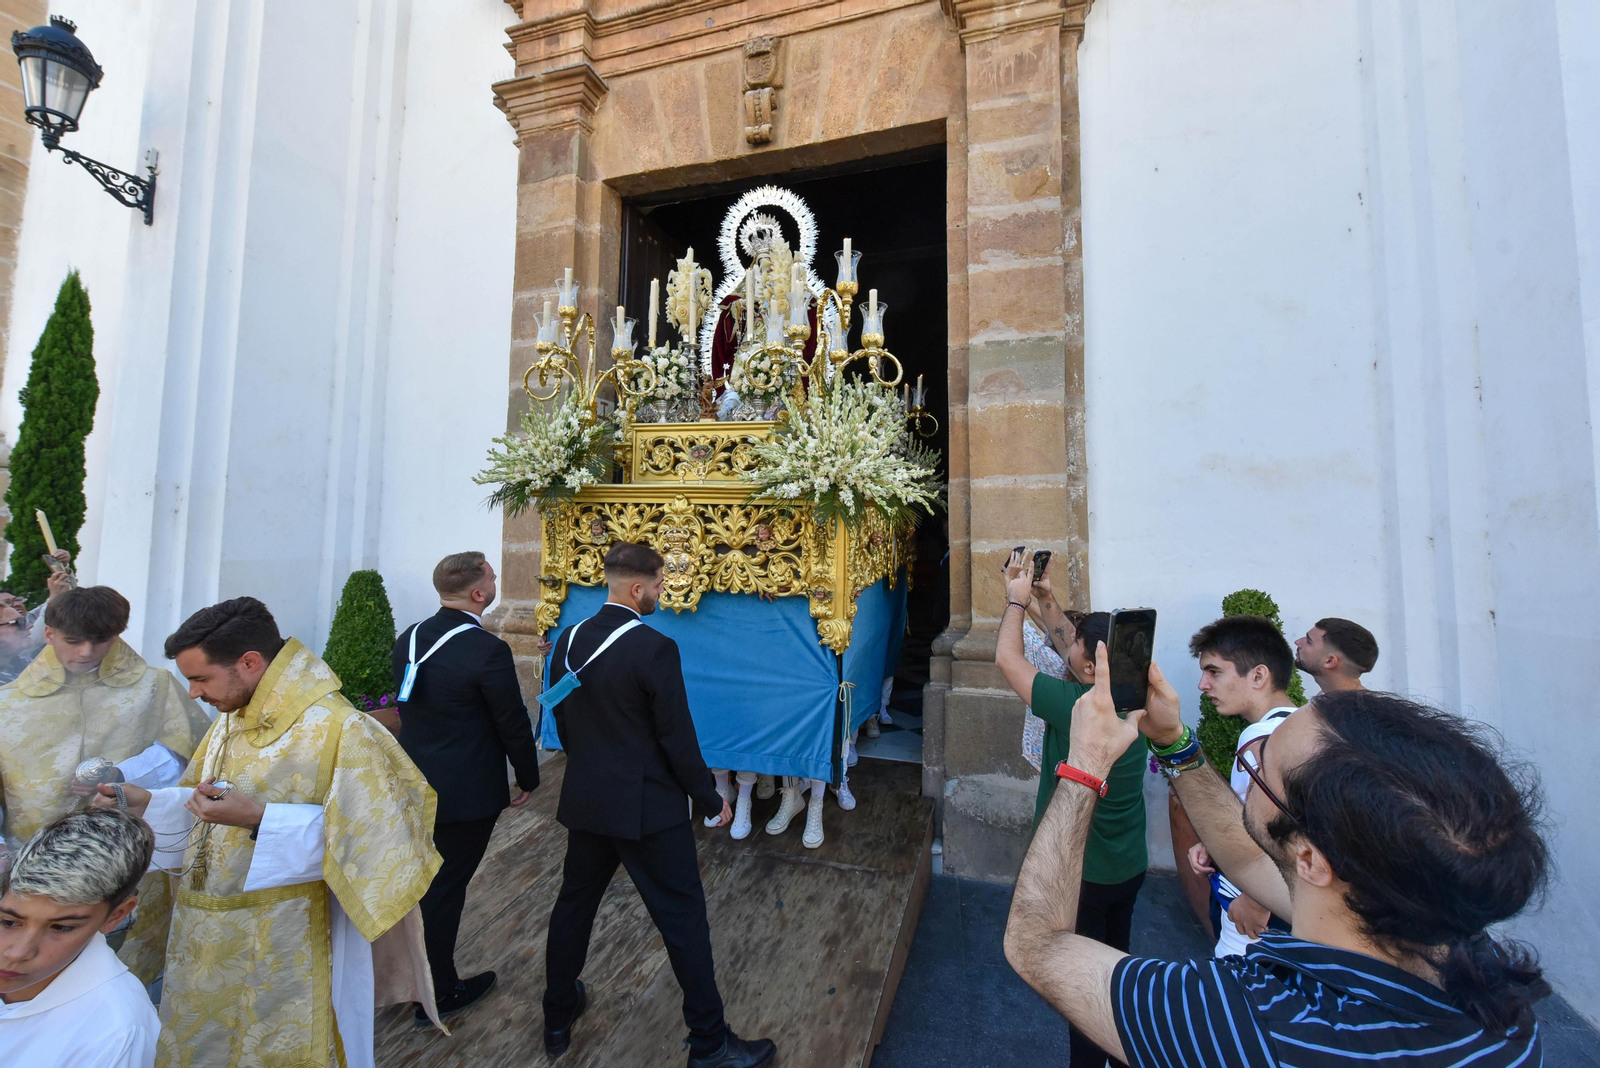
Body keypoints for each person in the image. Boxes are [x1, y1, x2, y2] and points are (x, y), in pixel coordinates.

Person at [1003, 639, 1548, 1067]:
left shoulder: (1253, 1026)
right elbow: (1250, 860)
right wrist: (1174, 743)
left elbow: (1035, 945)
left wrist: (1085, 766)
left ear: (1310, 860)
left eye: (1262, 771)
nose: (1252, 770)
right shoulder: (1494, 991)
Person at [92, 596, 442, 1068]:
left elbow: (381, 842)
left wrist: (260, 819)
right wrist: (149, 802)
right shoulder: (232, 718)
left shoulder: (342, 729)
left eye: (200, 679)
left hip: (294, 938)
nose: (192, 693)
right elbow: (207, 802)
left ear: (250, 662)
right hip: (206, 937)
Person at [542, 541, 776, 1068]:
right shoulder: (654, 648)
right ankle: (710, 1044)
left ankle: (556, 1016)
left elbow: (563, 719)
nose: (662, 592)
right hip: (647, 807)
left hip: (588, 799)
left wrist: (591, 768)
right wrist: (709, 797)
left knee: (574, 906)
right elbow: (676, 736)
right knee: (683, 920)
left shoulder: (567, 639)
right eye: (658, 585)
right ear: (636, 588)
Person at [0, 585, 210, 983]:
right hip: (32, 861)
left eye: (101, 641)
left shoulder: (155, 687)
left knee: (122, 974)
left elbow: (190, 754)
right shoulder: (7, 703)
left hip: (131, 860)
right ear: (49, 634)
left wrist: (125, 775)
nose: (86, 652)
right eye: (73, 641)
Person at [993, 549, 1146, 1068]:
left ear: (1089, 665)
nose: (1069, 644)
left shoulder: (1077, 706)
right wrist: (1046, 599)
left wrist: (1015, 604)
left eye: (1077, 641)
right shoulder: (1135, 701)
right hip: (1128, 865)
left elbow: (1008, 661)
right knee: (1119, 970)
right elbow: (1073, 650)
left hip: (1085, 876)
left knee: (1084, 993)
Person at [393, 551, 541, 1025]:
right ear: (479, 593)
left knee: (423, 883)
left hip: (413, 780)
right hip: (464, 792)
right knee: (444, 890)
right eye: (493, 577)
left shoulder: (410, 635)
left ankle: (406, 978)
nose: (496, 580)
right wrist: (527, 775)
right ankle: (436, 991)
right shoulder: (486, 650)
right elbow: (511, 722)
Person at [0, 809, 160, 1067]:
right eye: (9, 922)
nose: (17, 953)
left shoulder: (115, 1032)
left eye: (61, 928)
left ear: (115, 916)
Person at [1185, 615, 1296, 957]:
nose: (1203, 684)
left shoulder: (1260, 739)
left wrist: (1255, 900)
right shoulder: (1300, 725)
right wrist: (1216, 843)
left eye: (1214, 672)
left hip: (1255, 916)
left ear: (1258, 676)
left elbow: (1291, 832)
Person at [0, 549, 76, 684]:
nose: (29, 625)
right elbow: (40, 630)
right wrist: (55, 597)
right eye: (7, 603)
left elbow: (65, 603)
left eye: (16, 600)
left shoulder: (25, 664)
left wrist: (62, 570)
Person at [1294, 616, 1378, 693]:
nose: (1297, 642)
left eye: (1309, 641)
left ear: (1329, 661)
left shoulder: (1347, 704)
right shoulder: (1326, 696)